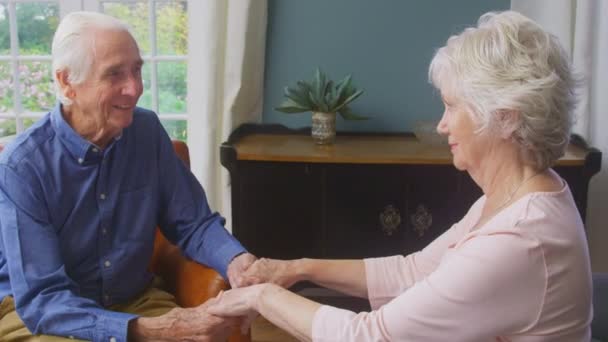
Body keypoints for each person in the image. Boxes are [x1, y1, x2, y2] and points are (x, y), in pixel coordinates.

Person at [207, 11, 593, 341]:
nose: (442, 125)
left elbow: (371, 336)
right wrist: (296, 269)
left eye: (451, 106)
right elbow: (414, 271)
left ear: (505, 117)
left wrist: (260, 298)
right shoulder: (515, 198)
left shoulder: (522, 237)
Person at [0, 11, 258, 341]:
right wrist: (145, 331)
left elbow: (194, 222)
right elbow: (42, 300)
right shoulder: (23, 167)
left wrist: (238, 261)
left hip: (133, 299)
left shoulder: (147, 132)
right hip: (44, 317)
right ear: (67, 82)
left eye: (137, 69)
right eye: (114, 74)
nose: (134, 88)